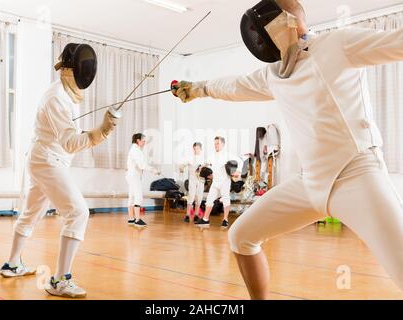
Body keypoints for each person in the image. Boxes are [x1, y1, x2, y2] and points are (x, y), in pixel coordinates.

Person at [172, 0, 403, 299]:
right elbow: (234, 86)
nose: (257, 38)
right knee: (241, 236)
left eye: (260, 28)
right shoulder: (274, 74)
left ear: (287, 22)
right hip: (309, 184)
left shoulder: (337, 45)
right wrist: (198, 88)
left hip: (357, 175)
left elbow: (396, 42)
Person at [0, 43, 119, 298]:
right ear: (69, 69)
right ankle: (59, 280)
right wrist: (102, 132)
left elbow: (66, 140)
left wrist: (99, 130)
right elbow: (70, 142)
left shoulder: (65, 93)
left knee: (31, 213)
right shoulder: (57, 98)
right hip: (47, 161)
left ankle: (12, 264)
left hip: (45, 158)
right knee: (78, 212)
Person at [195, 137, 243, 229]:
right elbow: (205, 163)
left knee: (225, 199)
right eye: (215, 143)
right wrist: (201, 167)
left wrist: (238, 171)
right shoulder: (212, 156)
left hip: (225, 181)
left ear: (223, 145)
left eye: (218, 143)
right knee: (209, 200)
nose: (216, 145)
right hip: (215, 182)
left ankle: (225, 220)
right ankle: (205, 220)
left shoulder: (227, 155)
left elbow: (240, 161)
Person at [126, 133, 161, 228]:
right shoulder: (136, 150)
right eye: (143, 140)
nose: (145, 142)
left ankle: (131, 219)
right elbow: (142, 165)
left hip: (132, 175)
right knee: (138, 196)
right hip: (134, 176)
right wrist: (154, 170)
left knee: (132, 197)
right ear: (138, 140)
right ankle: (137, 220)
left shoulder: (134, 149)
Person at [179, 142, 205, 223]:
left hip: (201, 181)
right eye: (194, 149)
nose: (196, 150)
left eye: (197, 148)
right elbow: (182, 165)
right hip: (192, 181)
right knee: (191, 197)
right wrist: (181, 168)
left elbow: (208, 169)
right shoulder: (190, 158)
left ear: (201, 149)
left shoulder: (204, 159)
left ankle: (196, 215)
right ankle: (187, 215)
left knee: (199, 198)